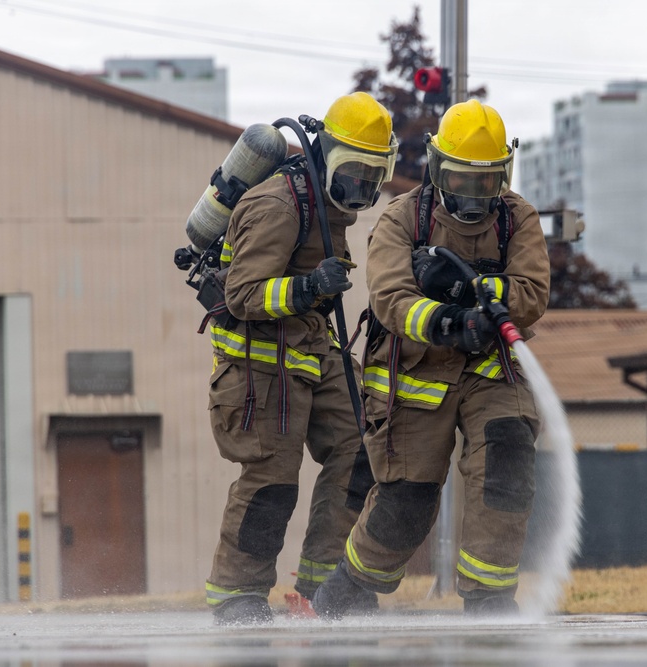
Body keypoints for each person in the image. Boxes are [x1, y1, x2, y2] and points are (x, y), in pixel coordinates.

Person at [312, 100, 550, 618]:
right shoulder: (402, 219)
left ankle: (489, 598)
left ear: (503, 175)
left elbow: (532, 292)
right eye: (461, 180)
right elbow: (390, 298)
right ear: (439, 168)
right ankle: (349, 589)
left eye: (486, 183)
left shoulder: (518, 219)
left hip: (490, 369)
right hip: (415, 371)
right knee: (408, 498)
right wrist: (449, 322)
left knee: (507, 461)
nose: (473, 195)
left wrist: (472, 287)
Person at [204, 91, 398, 625]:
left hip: (310, 350)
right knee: (273, 478)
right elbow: (243, 294)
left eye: (372, 175)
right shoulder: (279, 205)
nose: (360, 185)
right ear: (326, 153)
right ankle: (237, 594)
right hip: (260, 363)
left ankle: (324, 588)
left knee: (360, 450)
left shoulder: (327, 204)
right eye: (353, 170)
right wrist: (309, 286)